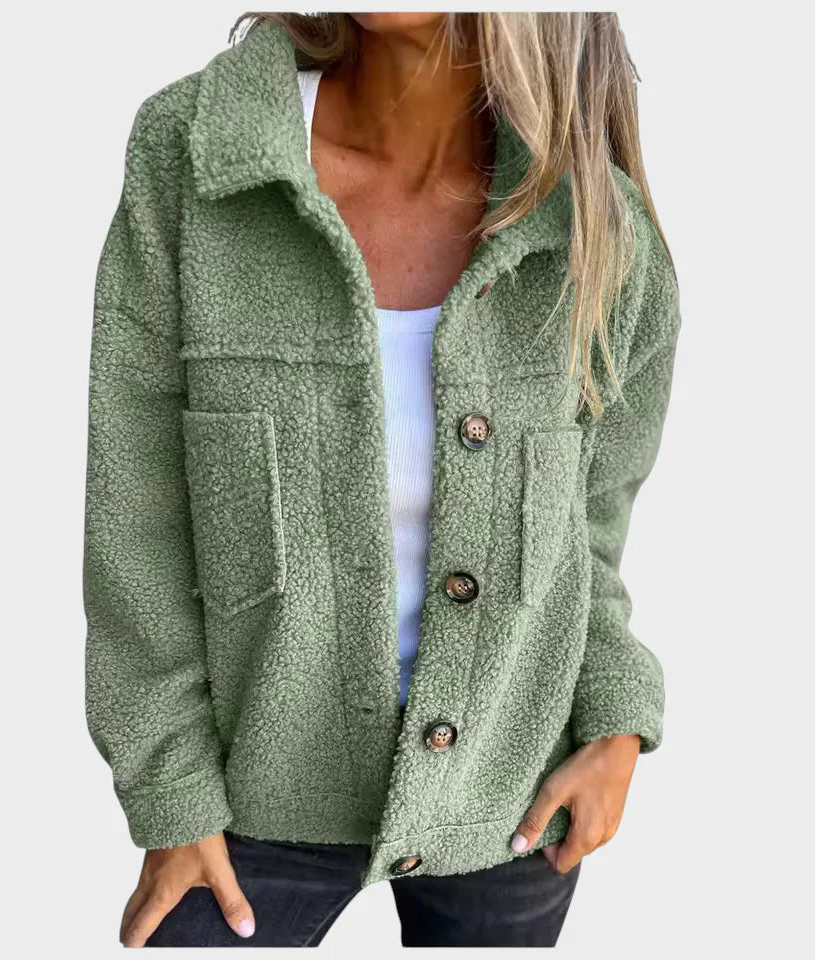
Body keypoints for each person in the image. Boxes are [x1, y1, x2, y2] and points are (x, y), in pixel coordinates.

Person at [82, 11, 681, 948]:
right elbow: (135, 515)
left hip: (510, 801)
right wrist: (170, 792)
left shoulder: (596, 230)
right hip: (245, 797)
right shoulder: (198, 157)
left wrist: (616, 727)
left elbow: (590, 538)